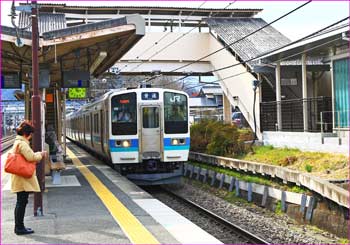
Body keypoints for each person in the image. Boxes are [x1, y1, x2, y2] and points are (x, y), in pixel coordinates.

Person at [11, 120, 47, 235]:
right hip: (22, 177)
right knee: (21, 202)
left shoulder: (18, 142)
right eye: (30, 134)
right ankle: (19, 228)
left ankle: (19, 227)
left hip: (19, 176)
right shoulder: (22, 143)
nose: (31, 137)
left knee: (21, 201)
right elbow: (31, 157)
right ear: (27, 134)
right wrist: (41, 154)